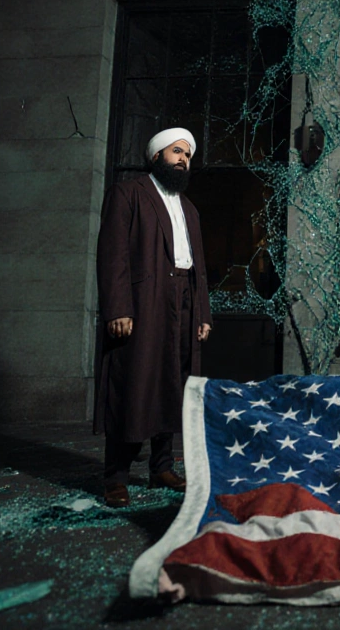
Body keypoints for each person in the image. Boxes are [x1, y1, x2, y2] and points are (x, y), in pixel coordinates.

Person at [94, 128, 212, 508]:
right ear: (157, 155)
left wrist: (202, 312)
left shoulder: (189, 208)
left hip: (183, 299)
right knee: (133, 381)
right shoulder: (129, 194)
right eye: (177, 152)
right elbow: (113, 256)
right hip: (144, 300)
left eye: (188, 155)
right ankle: (116, 477)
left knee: (173, 382)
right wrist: (118, 308)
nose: (183, 160)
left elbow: (199, 267)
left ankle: (161, 465)